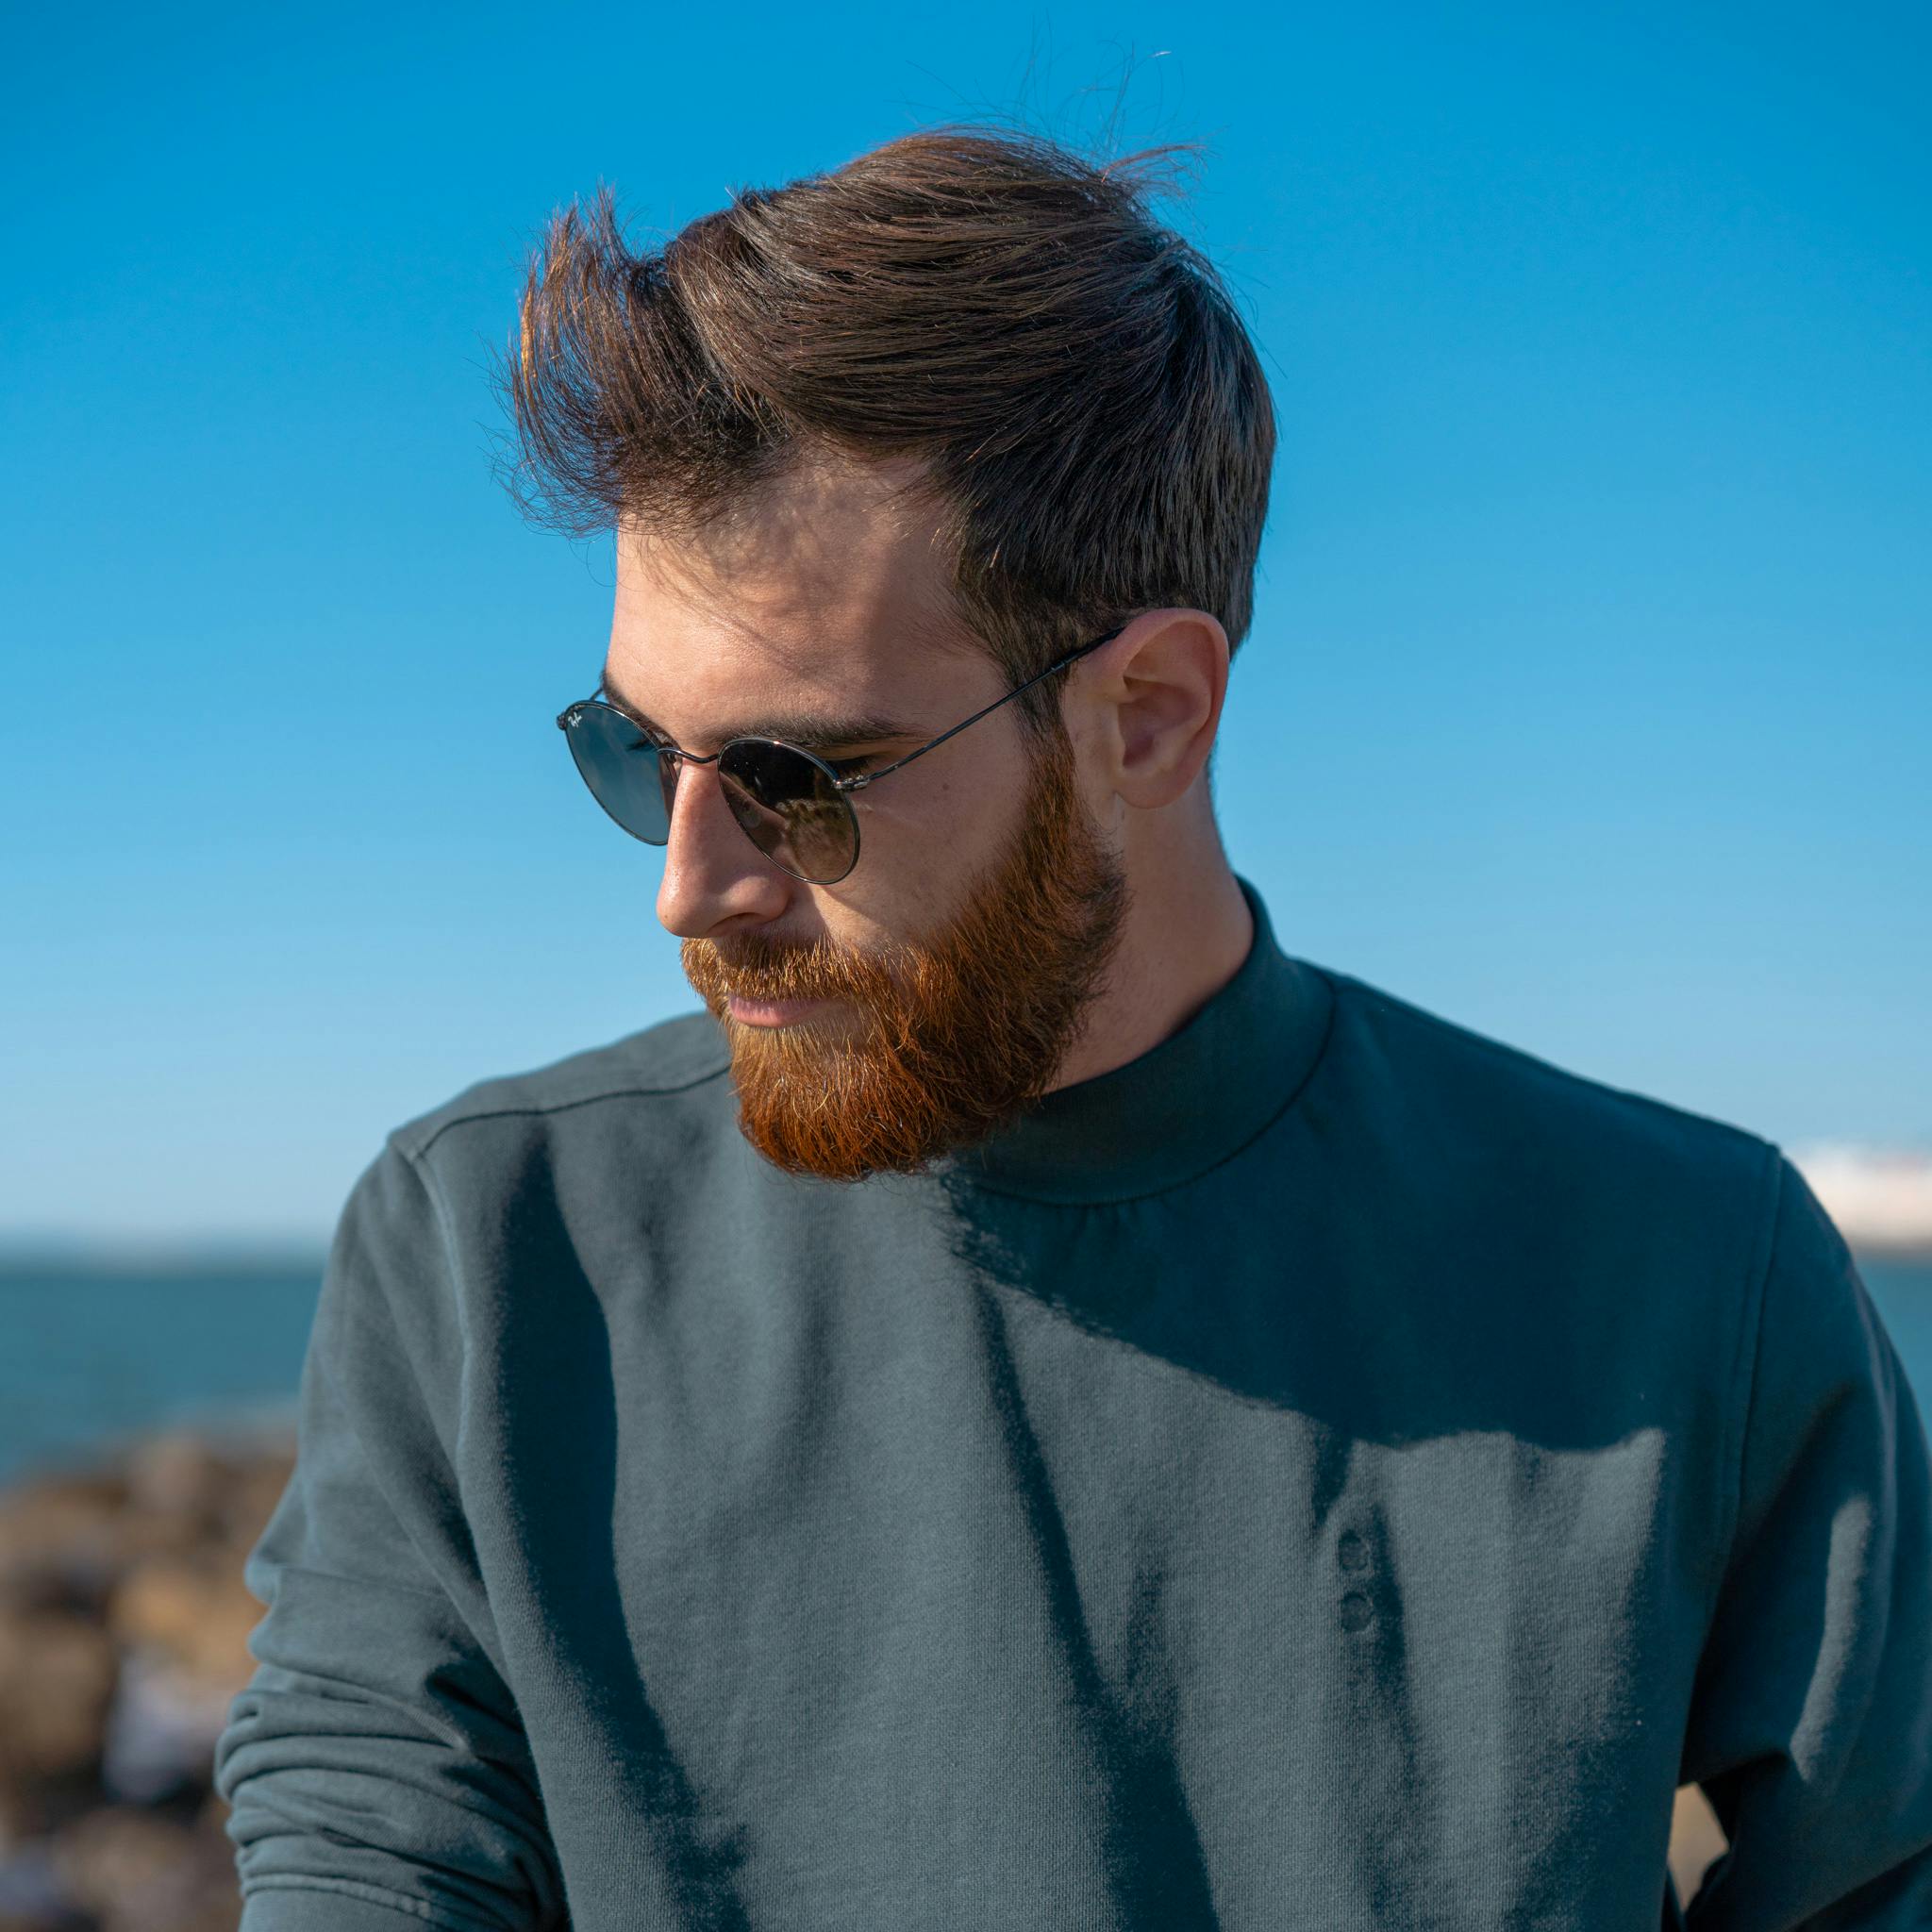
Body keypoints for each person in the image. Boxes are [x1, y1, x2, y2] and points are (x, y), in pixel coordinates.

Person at [211, 125, 1932, 1930]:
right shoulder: (487, 1253)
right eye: (638, 751)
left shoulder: (1688, 1274)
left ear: (1151, 713)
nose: (692, 887)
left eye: (802, 775)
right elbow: (370, 1852)